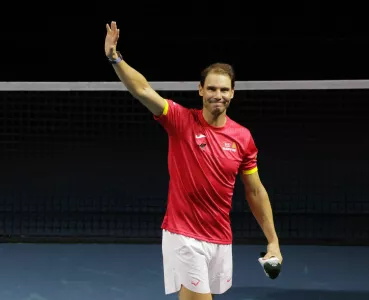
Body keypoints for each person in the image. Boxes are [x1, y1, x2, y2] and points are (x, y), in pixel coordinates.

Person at [104, 21, 283, 300]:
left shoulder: (243, 138)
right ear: (200, 90)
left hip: (220, 237)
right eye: (211, 89)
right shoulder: (180, 121)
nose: (218, 95)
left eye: (224, 90)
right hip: (184, 235)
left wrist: (273, 241)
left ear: (232, 93)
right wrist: (115, 58)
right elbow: (143, 90)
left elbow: (255, 191)